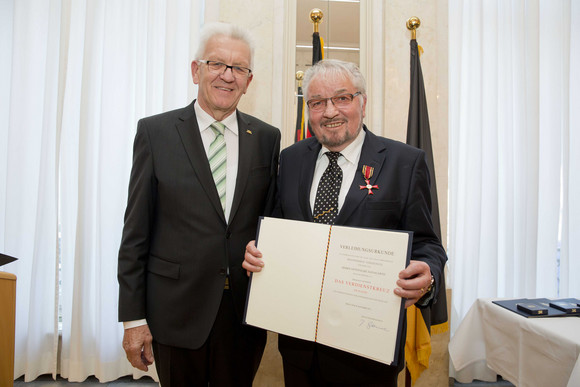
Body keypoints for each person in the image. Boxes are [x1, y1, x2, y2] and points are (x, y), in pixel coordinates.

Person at [243, 59, 447, 386]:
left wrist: (428, 275)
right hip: (300, 348)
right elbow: (279, 229)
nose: (330, 111)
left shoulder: (404, 163)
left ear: (362, 102)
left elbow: (428, 244)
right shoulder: (291, 159)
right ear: (308, 109)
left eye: (342, 98)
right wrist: (259, 249)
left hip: (368, 353)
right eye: (317, 102)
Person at [118, 22, 280, 387]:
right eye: (217, 64)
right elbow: (135, 234)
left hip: (242, 315)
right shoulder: (155, 133)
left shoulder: (267, 138)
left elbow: (269, 223)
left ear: (249, 80)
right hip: (175, 311)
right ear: (196, 70)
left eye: (239, 68)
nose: (227, 76)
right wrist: (133, 320)